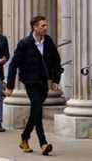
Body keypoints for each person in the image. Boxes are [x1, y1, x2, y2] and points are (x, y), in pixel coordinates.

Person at [6, 16, 62, 156]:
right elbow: (13, 64)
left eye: (45, 25)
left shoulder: (48, 41)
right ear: (35, 27)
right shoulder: (25, 43)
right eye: (43, 26)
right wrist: (10, 85)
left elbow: (56, 60)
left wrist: (56, 80)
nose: (46, 28)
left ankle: (24, 138)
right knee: (37, 108)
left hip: (43, 82)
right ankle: (43, 143)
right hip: (30, 81)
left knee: (35, 111)